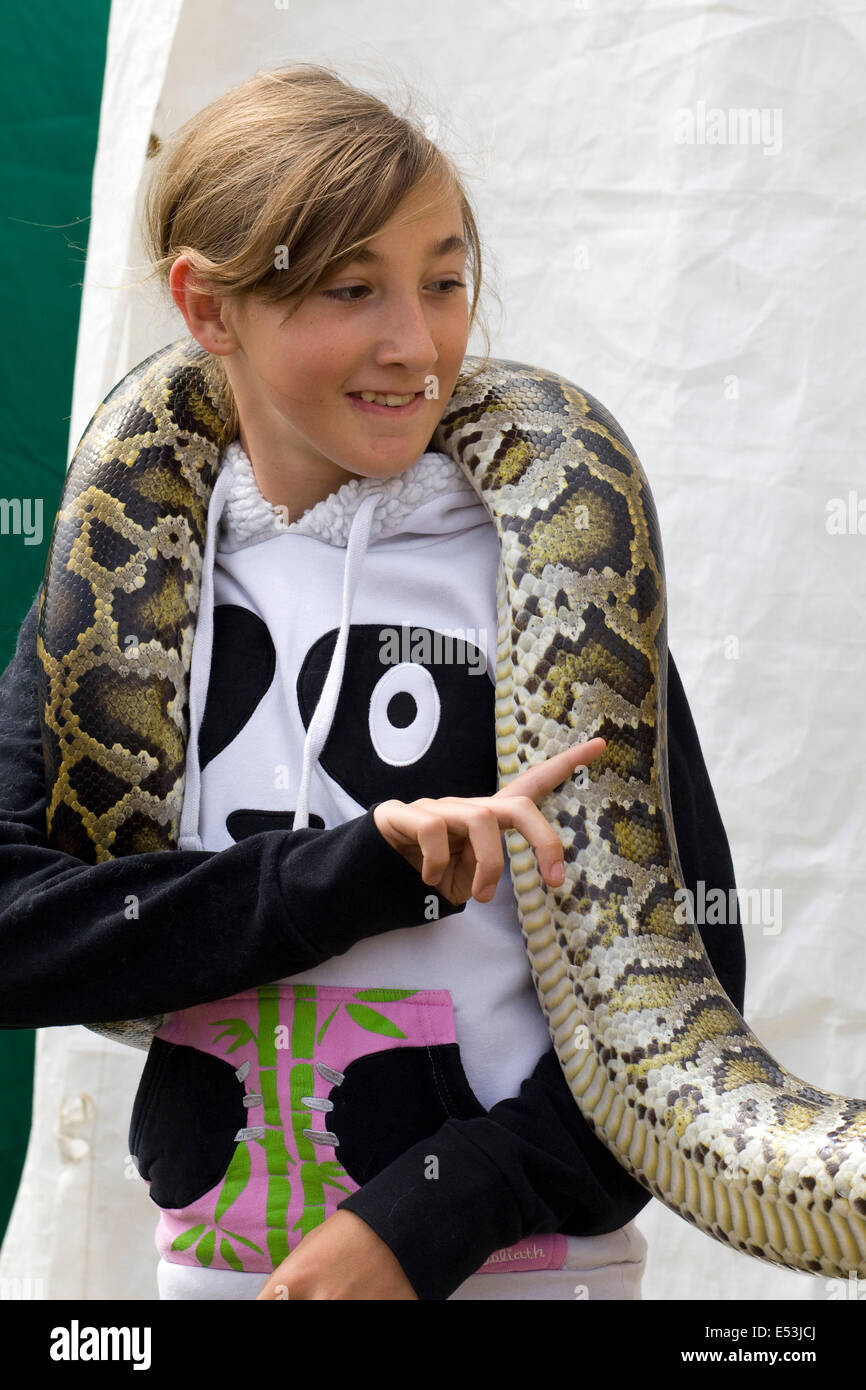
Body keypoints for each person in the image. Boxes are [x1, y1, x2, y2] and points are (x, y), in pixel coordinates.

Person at [0, 62, 746, 1301]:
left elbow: (679, 1003)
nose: (417, 342)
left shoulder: (541, 578)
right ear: (208, 306)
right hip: (214, 1271)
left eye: (444, 282)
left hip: (519, 1271)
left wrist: (423, 1222)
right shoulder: (114, 585)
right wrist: (361, 868)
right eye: (353, 290)